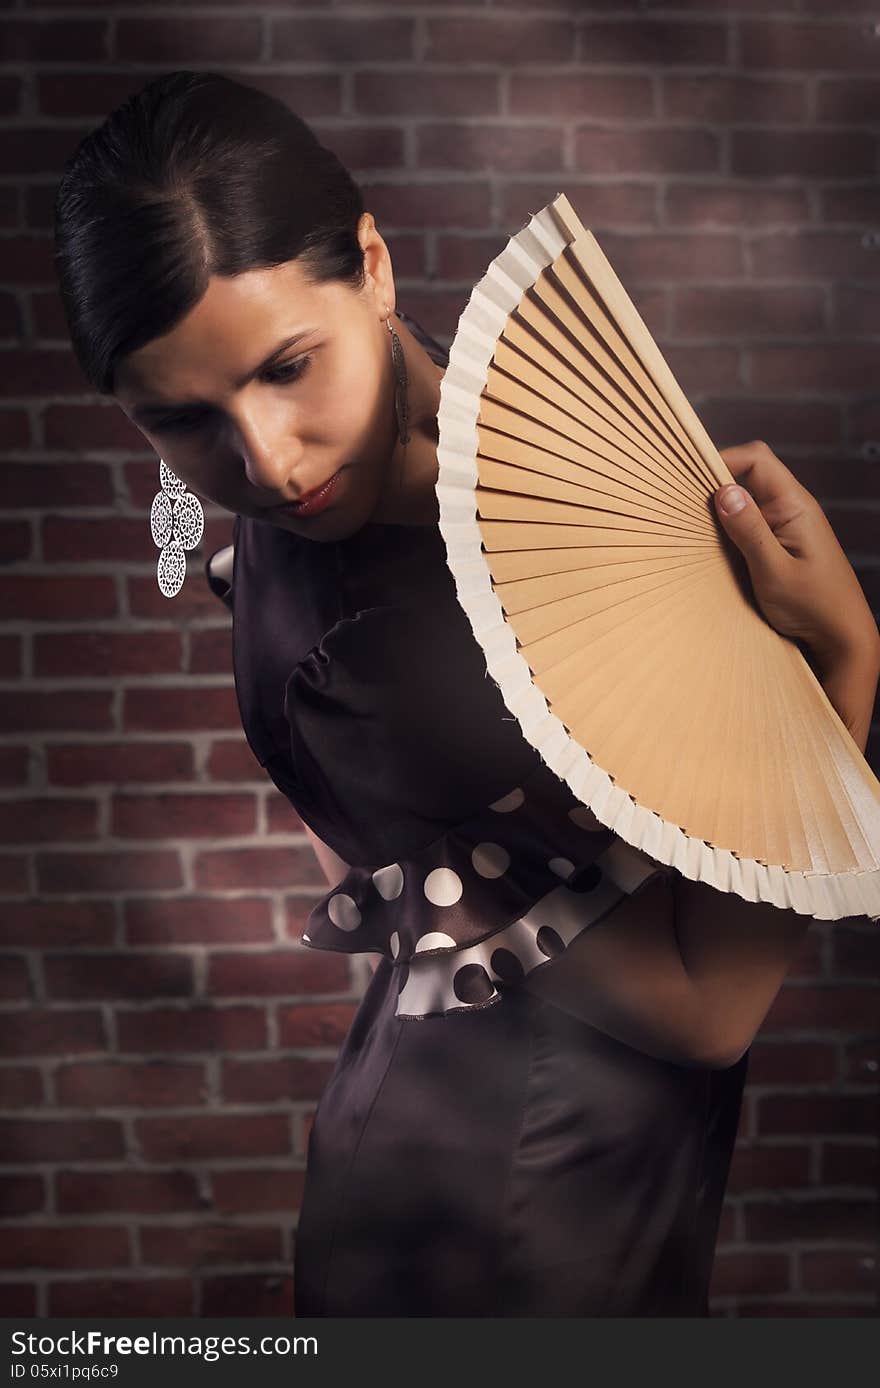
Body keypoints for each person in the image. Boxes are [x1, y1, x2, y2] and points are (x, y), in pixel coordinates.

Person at [53, 70, 880, 1318]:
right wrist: (844, 661)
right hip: (510, 1215)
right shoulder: (362, 671)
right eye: (180, 421)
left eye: (287, 365)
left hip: (546, 1156)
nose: (266, 462)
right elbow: (709, 1008)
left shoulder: (490, 471)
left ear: (373, 267)